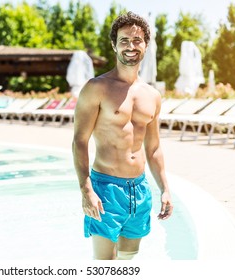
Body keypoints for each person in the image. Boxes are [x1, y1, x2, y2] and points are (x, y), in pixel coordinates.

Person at [72, 11, 173, 260]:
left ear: (146, 45)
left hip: (140, 189)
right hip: (105, 188)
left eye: (137, 40)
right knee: (105, 265)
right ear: (114, 45)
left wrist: (165, 189)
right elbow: (80, 141)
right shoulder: (96, 88)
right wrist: (86, 190)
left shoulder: (152, 96)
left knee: (128, 261)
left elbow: (153, 148)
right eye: (124, 40)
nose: (130, 46)